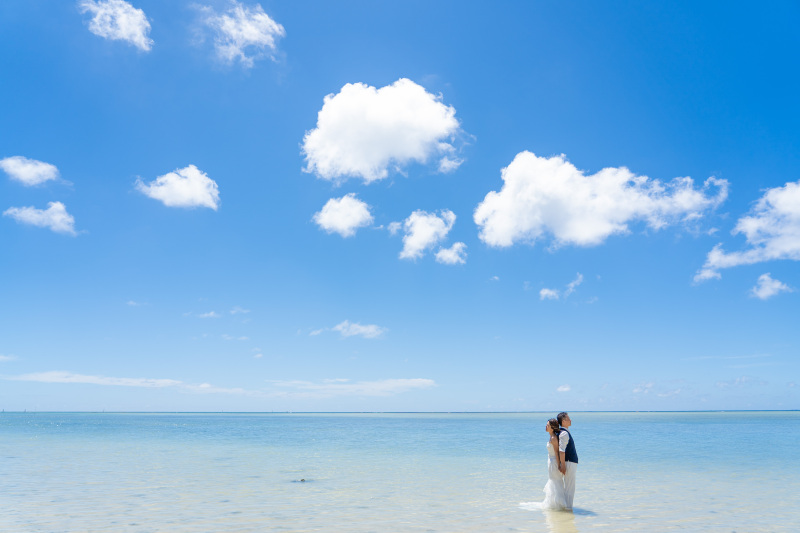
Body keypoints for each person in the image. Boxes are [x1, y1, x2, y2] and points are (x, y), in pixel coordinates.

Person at [541, 418, 567, 510]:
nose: (546, 426)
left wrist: (559, 465)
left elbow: (557, 452)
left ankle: (558, 504)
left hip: (554, 463)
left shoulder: (553, 438)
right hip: (550, 461)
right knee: (553, 481)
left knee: (555, 482)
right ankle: (553, 503)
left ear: (552, 428)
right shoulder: (551, 436)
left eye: (547, 425)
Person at [557, 412, 578, 510]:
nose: (571, 420)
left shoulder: (563, 432)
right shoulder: (564, 433)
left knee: (569, 487)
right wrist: (563, 466)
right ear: (564, 421)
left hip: (568, 462)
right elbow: (562, 450)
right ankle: (568, 509)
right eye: (569, 419)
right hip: (569, 462)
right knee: (570, 487)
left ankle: (566, 507)